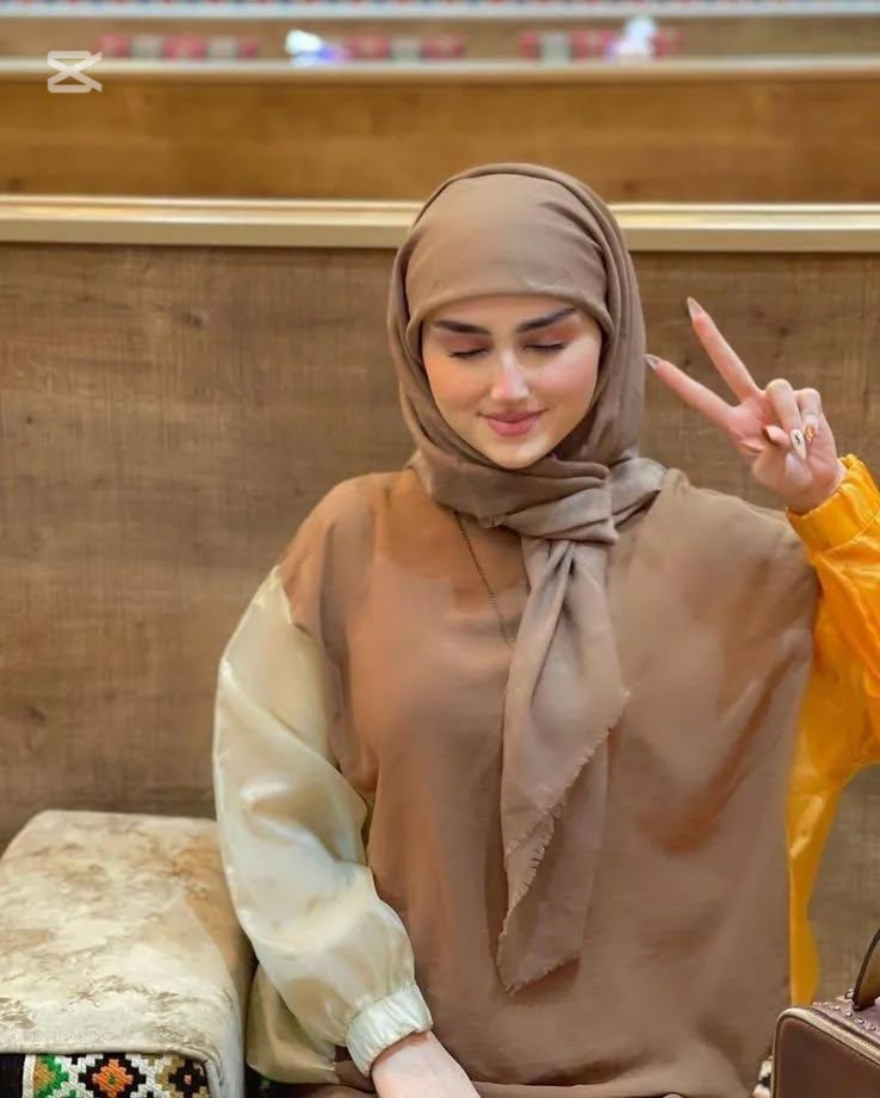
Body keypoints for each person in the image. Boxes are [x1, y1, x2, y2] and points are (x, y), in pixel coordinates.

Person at [212, 164, 880, 1098]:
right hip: (396, 1078)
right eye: (465, 346)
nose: (509, 385)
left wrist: (828, 507)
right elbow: (277, 814)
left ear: (610, 336)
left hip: (699, 1079)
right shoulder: (352, 543)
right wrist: (390, 1037)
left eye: (547, 341)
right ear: (415, 350)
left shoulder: (747, 566)